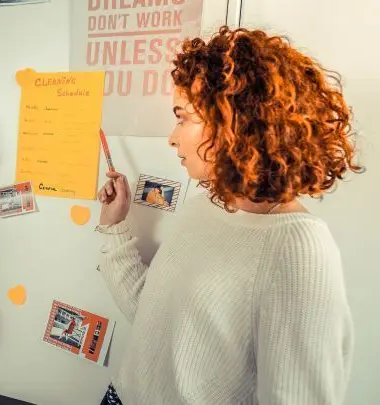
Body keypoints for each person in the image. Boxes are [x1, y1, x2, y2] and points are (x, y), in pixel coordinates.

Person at [97, 26, 360, 405]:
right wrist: (114, 228)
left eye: (183, 117)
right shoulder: (206, 205)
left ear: (235, 123)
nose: (172, 137)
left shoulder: (299, 249)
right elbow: (154, 317)